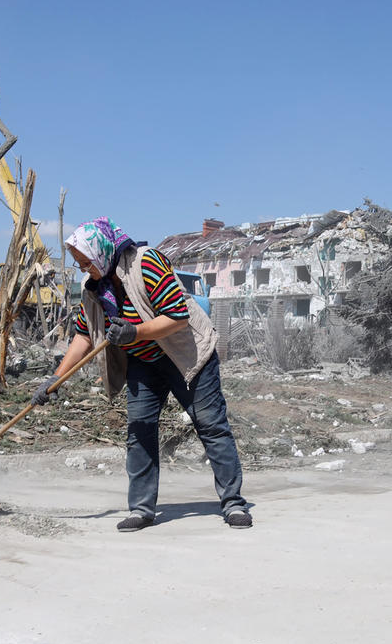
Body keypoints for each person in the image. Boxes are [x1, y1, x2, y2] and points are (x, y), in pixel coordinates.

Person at [32, 217, 251, 532]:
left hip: (187, 356)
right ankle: (142, 509)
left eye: (85, 263)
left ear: (100, 253)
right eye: (79, 265)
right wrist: (56, 379)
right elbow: (83, 335)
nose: (83, 270)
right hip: (144, 362)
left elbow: (177, 317)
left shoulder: (146, 263)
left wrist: (134, 331)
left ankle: (233, 503)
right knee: (139, 431)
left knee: (211, 426)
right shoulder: (94, 288)